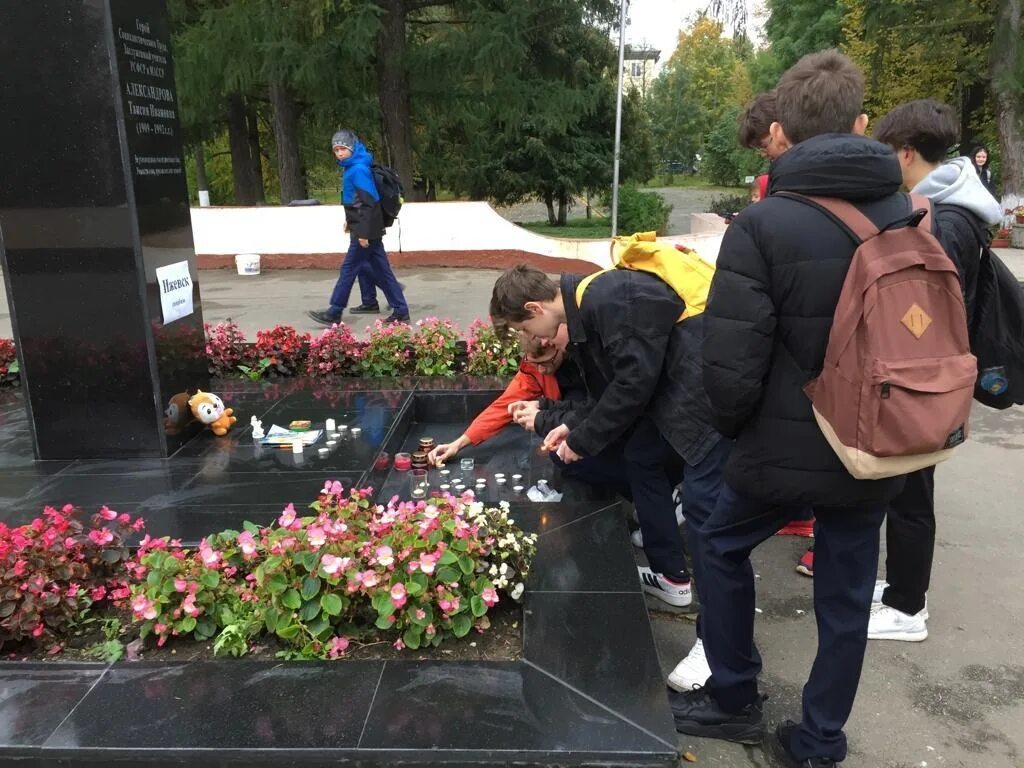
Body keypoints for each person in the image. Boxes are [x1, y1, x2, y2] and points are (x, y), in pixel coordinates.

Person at [677, 50, 913, 765]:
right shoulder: (906, 213)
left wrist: (733, 431)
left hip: (780, 449)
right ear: (863, 123)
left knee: (718, 544)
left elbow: (731, 361)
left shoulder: (764, 223)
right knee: (844, 595)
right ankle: (819, 740)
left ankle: (734, 696)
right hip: (872, 445)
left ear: (782, 128)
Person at [490, 263, 731, 647]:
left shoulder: (608, 297)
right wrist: (572, 427)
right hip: (679, 400)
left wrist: (582, 440)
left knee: (708, 523)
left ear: (535, 309)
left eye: (522, 330)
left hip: (705, 402)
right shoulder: (591, 307)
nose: (529, 339)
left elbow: (634, 382)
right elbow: (614, 390)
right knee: (642, 458)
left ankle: (719, 648)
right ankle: (672, 577)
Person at [869, 99, 1002, 642]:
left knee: (911, 490)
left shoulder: (944, 219)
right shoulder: (952, 206)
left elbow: (930, 306)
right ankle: (903, 588)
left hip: (929, 376)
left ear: (905, 154)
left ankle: (907, 608)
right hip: (934, 371)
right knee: (907, 486)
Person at [308, 130, 410, 326]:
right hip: (363, 227)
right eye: (336, 150)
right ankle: (400, 310)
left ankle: (335, 312)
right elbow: (356, 202)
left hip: (365, 232)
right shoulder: (353, 167)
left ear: (352, 148)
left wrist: (363, 232)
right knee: (381, 271)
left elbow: (370, 202)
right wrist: (351, 220)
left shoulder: (358, 169)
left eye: (343, 149)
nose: (339, 153)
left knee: (349, 269)